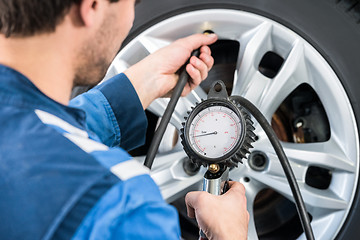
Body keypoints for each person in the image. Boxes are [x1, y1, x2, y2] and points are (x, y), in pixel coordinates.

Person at [0, 0, 249, 239]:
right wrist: (230, 234)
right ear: (92, 6)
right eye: (134, 3)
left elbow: (42, 138)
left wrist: (143, 83)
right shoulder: (119, 204)